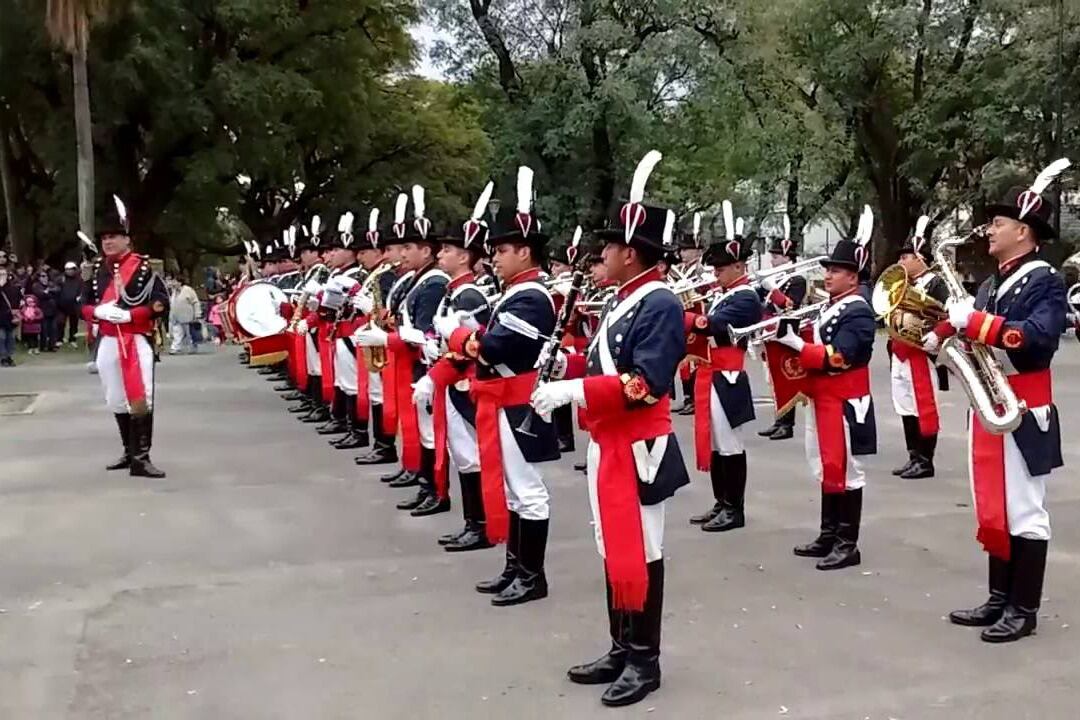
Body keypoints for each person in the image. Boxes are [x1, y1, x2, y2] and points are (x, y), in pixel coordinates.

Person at [530, 150, 689, 707]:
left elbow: (644, 384)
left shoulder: (661, 304)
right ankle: (622, 646)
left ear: (630, 251)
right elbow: (602, 368)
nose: (600, 255)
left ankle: (645, 660)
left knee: (641, 547)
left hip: (639, 445)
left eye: (608, 246)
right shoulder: (624, 299)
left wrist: (571, 391)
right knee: (610, 543)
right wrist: (566, 373)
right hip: (609, 440)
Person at [931, 168, 1067, 643]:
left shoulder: (1044, 281)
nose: (989, 229)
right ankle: (998, 597)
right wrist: (942, 334)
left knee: (1026, 511)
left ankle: (1023, 609)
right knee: (996, 506)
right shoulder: (995, 281)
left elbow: (1036, 338)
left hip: (1025, 408)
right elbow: (976, 328)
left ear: (1023, 231)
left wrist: (978, 323)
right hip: (990, 400)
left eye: (998, 222)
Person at [444, 166, 560, 606]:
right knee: (513, 489)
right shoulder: (514, 292)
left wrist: (458, 337)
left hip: (518, 401)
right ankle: (515, 567)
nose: (494, 257)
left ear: (526, 252)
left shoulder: (531, 296)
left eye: (503, 250)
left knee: (528, 491)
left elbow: (494, 348)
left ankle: (532, 576)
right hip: (504, 400)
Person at [770, 205, 877, 571]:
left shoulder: (858, 309)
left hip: (845, 398)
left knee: (846, 468)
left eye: (836, 270)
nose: (828, 275)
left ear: (854, 276)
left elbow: (840, 356)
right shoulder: (833, 305)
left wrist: (800, 347)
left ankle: (848, 543)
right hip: (822, 396)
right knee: (825, 464)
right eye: (829, 269)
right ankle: (829, 533)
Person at [357, 186, 450, 516]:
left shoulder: (433, 281)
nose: (402, 252)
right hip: (410, 359)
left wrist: (389, 334)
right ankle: (424, 482)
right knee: (421, 430)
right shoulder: (415, 278)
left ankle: (435, 489)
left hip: (423, 362)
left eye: (409, 246)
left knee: (430, 432)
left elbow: (424, 332)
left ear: (427, 250)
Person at [425, 182, 495, 551]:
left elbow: (471, 348)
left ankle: (480, 524)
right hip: (451, 380)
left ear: (466, 256)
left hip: (465, 382)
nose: (440, 255)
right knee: (463, 455)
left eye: (448, 250)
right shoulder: (455, 290)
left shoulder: (469, 294)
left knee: (472, 455)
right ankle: (473, 521)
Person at [79, 196, 170, 478]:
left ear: (127, 239)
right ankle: (129, 452)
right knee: (116, 397)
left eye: (114, 236)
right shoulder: (97, 271)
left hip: (135, 337)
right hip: (107, 339)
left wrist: (132, 315)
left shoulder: (143, 268)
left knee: (142, 396)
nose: (108, 242)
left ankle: (142, 457)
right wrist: (98, 312)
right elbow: (79, 303)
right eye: (105, 237)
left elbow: (160, 303)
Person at [684, 202, 761, 533]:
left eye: (721, 269)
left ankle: (735, 507)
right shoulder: (724, 293)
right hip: (711, 372)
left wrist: (680, 315)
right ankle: (721, 502)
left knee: (730, 444)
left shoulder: (745, 297)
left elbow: (714, 326)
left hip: (728, 375)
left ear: (739, 267)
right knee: (715, 442)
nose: (715, 274)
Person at [886, 216, 949, 479]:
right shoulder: (903, 285)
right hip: (900, 351)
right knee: (905, 407)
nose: (901, 262)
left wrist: (936, 335)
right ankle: (914, 456)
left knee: (923, 406)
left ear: (919, 258)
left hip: (922, 354)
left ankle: (926, 460)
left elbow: (950, 316)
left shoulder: (937, 283)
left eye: (905, 257)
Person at [756, 217, 808, 440]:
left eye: (776, 256)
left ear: (788, 257)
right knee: (773, 379)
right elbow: (763, 305)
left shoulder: (797, 279)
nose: (772, 259)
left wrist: (772, 289)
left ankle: (786, 424)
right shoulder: (775, 277)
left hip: (788, 334)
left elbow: (790, 306)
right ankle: (779, 419)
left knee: (785, 377)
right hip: (770, 333)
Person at [168, 276, 200, 354]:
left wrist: (197, 314)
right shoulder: (173, 291)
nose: (173, 283)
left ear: (180, 282)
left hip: (187, 316)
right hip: (176, 316)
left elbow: (195, 302)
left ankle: (192, 347)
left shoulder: (188, 290)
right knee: (177, 332)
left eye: (174, 281)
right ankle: (175, 348)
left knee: (189, 333)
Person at [30, 269, 60, 351]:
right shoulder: (36, 285)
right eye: (42, 276)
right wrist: (48, 293)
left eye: (46, 276)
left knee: (53, 329)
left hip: (53, 311)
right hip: (42, 311)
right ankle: (44, 346)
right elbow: (40, 294)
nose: (45, 278)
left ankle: (52, 346)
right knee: (44, 329)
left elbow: (57, 290)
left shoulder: (50, 284)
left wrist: (48, 291)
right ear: (38, 277)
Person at [58, 261, 86, 347]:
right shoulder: (61, 278)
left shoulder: (79, 279)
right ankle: (59, 339)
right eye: (67, 270)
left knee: (74, 323)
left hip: (74, 305)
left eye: (71, 270)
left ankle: (72, 339)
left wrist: (80, 297)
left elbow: (82, 289)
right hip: (62, 305)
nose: (69, 271)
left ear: (74, 270)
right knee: (60, 322)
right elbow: (57, 288)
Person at [0, 267, 22, 365]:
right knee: (1, 337)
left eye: (4, 274)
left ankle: (9, 356)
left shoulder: (14, 288)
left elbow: (19, 300)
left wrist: (18, 311)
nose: (2, 277)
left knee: (11, 338)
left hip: (11, 318)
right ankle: (3, 357)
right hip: (0, 317)